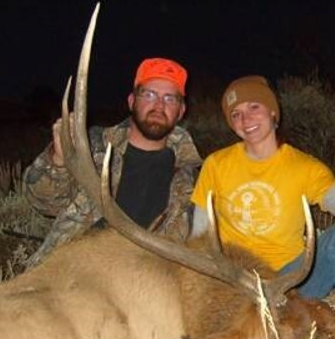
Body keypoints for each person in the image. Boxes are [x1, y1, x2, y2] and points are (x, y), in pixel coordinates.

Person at [190, 75, 335, 339]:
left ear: (273, 111)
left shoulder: (304, 167)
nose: (246, 119)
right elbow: (198, 235)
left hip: (294, 279)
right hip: (239, 282)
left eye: (254, 107)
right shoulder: (216, 165)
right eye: (236, 114)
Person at [23, 57, 201, 266]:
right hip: (69, 270)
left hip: (142, 283)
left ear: (181, 111)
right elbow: (44, 203)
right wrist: (59, 160)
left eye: (170, 98)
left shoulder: (192, 178)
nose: (159, 105)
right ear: (131, 101)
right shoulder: (91, 146)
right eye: (149, 94)